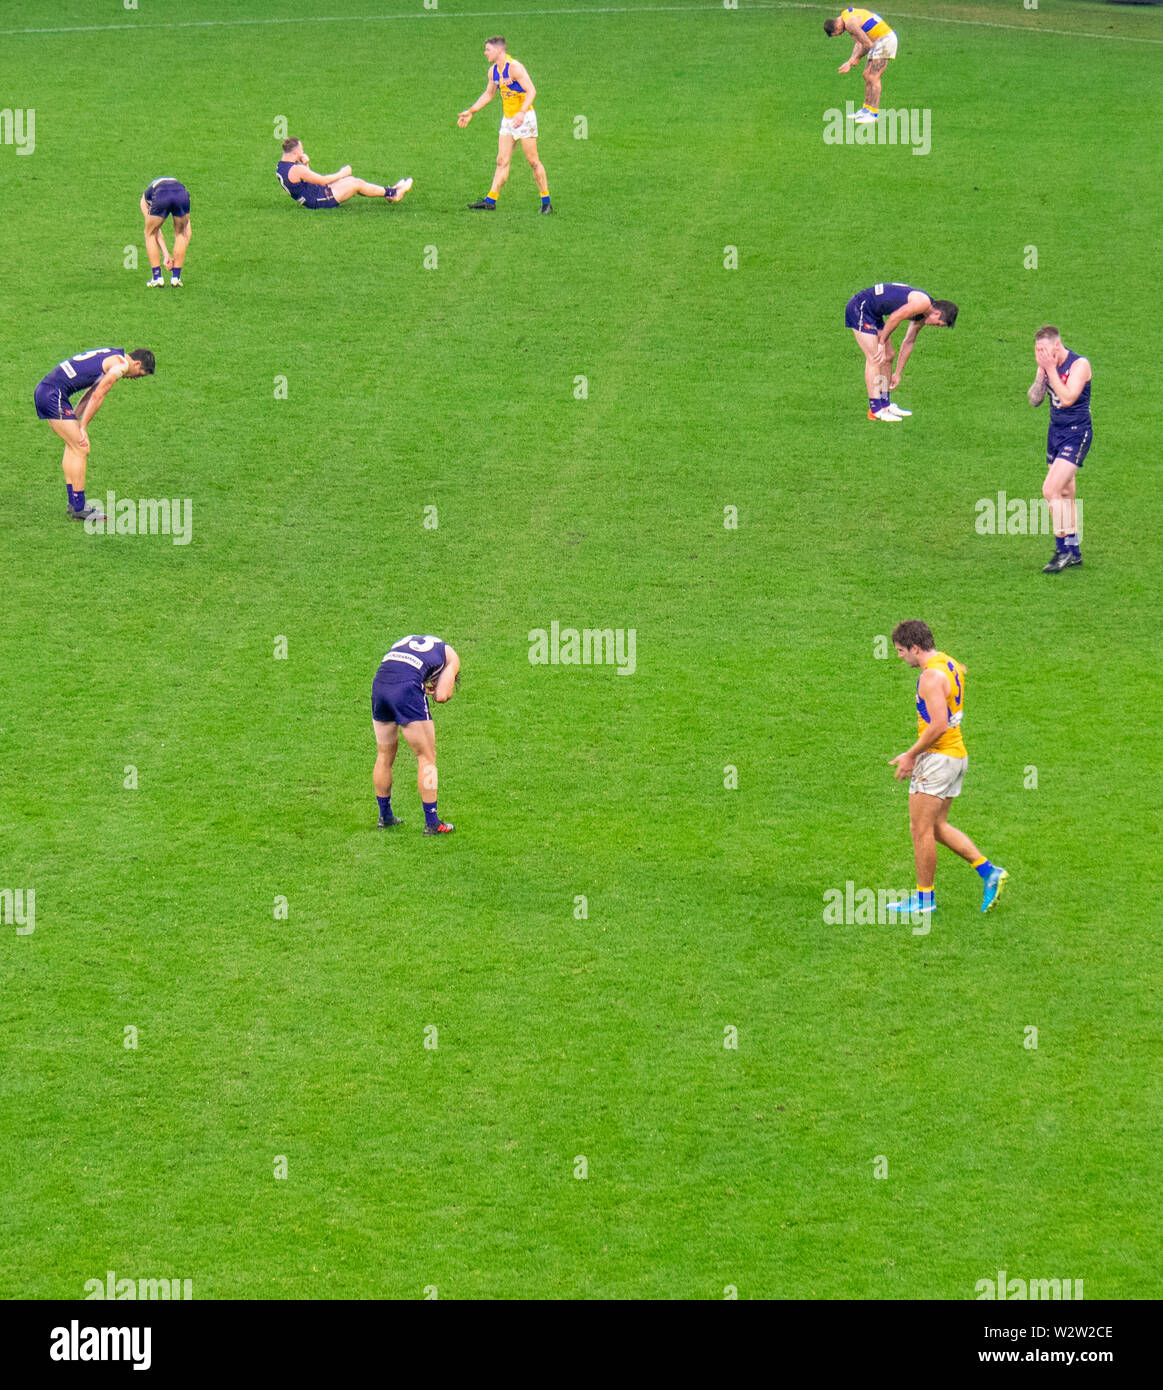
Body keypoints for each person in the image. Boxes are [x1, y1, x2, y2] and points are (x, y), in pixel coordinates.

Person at [886, 620, 1008, 917]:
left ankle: (924, 899)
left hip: (938, 758)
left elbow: (938, 724)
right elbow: (959, 678)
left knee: (920, 829)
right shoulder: (949, 662)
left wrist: (911, 755)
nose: (900, 656)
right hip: (956, 756)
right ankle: (989, 872)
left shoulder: (930, 677)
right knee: (937, 827)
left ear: (915, 647)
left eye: (902, 651)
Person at [34, 348, 155, 521]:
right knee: (81, 448)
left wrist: (76, 418)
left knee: (74, 446)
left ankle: (74, 504)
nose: (136, 378)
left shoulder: (112, 355)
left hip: (48, 391)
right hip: (53, 395)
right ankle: (79, 507)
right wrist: (82, 426)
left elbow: (90, 393)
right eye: (140, 374)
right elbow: (99, 395)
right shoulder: (120, 366)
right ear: (137, 363)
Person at [371, 635, 460, 834]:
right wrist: (435, 689)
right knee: (427, 757)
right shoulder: (451, 656)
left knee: (384, 756)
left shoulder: (409, 641)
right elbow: (442, 696)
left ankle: (385, 817)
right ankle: (433, 823)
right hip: (406, 689)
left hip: (380, 684)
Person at [458, 37, 552, 213]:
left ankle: (546, 202)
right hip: (509, 120)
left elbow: (532, 90)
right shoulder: (493, 71)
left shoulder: (515, 67)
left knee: (533, 161)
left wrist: (522, 112)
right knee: (502, 161)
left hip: (525, 119)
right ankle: (490, 201)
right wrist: (471, 111)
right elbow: (488, 94)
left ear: (498, 51)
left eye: (487, 50)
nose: (485, 53)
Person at [1028, 325, 1092, 573]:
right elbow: (1035, 399)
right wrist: (1041, 371)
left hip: (1077, 434)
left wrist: (1051, 369)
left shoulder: (1079, 365)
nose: (1041, 355)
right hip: (1055, 433)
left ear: (1057, 346)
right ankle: (1074, 551)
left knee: (1050, 490)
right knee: (1065, 493)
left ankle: (1061, 551)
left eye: (1044, 350)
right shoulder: (1046, 364)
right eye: (1037, 351)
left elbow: (1067, 398)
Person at [844, 283, 958, 420]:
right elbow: (894, 317)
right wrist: (881, 343)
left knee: (889, 355)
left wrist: (897, 373)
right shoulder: (922, 303)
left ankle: (885, 405)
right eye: (938, 324)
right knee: (875, 358)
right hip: (860, 308)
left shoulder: (922, 316)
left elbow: (909, 342)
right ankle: (875, 410)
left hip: (874, 313)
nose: (936, 327)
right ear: (937, 313)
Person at [276, 138, 412, 209]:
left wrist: (305, 164)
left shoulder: (281, 166)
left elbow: (306, 181)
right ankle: (394, 194)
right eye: (301, 150)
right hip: (319, 200)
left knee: (353, 180)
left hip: (314, 195)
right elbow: (323, 180)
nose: (302, 152)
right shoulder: (296, 169)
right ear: (294, 152)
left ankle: (389, 193)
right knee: (355, 183)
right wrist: (342, 173)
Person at [824, 7, 899, 123]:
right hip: (878, 41)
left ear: (837, 27)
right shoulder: (845, 16)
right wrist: (850, 61)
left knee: (873, 76)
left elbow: (867, 44)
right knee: (866, 74)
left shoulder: (850, 24)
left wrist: (857, 57)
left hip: (884, 40)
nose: (840, 34)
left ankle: (873, 113)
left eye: (837, 34)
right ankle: (866, 109)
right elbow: (859, 42)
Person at [140, 177, 191, 287]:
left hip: (161, 194)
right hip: (181, 194)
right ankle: (176, 278)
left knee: (149, 233)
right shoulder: (181, 188)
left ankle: (157, 277)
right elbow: (188, 232)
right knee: (181, 233)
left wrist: (165, 254)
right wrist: (173, 258)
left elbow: (155, 232)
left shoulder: (145, 198)